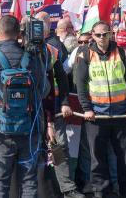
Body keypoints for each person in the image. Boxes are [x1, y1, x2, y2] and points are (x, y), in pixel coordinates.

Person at [0, 15, 48, 198]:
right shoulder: (32, 58)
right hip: (30, 128)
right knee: (29, 182)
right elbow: (44, 89)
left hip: (0, 129)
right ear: (19, 33)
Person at [73, 20, 126, 198]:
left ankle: (125, 191)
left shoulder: (121, 53)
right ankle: (99, 192)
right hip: (96, 115)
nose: (102, 38)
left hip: (122, 114)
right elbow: (80, 85)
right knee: (97, 157)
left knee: (124, 157)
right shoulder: (85, 55)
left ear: (111, 33)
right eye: (98, 35)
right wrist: (87, 108)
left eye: (105, 34)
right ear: (92, 36)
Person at [36, 13, 82, 198]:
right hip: (31, 113)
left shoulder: (52, 51)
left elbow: (62, 81)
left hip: (54, 109)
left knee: (59, 148)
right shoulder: (21, 50)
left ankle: (66, 188)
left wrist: (63, 103)